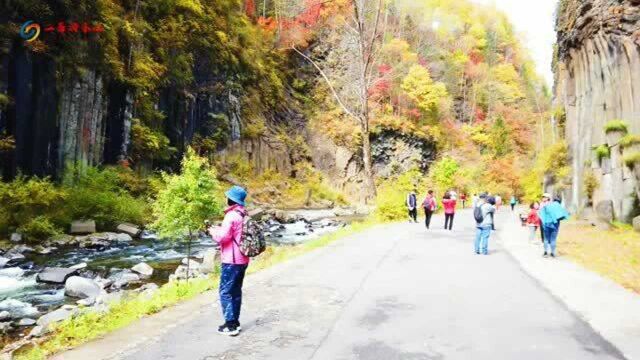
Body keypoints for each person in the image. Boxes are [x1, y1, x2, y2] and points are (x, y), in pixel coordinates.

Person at [208, 185, 249, 336]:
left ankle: (230, 325)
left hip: (231, 260)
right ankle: (235, 322)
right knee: (236, 291)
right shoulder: (243, 214)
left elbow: (222, 238)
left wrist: (211, 231)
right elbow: (232, 235)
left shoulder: (231, 216)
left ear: (231, 199)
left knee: (225, 292)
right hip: (243, 259)